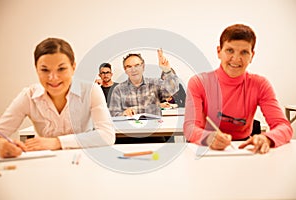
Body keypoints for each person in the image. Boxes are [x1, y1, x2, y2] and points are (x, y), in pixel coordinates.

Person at [0, 38, 115, 158]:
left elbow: (106, 136)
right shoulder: (29, 96)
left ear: (73, 67)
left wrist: (57, 142)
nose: (53, 77)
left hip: (83, 160)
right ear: (36, 69)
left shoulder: (91, 90)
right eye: (44, 70)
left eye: (61, 69)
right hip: (45, 163)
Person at [184, 24, 293, 154]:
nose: (236, 59)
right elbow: (190, 128)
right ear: (219, 51)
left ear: (252, 55)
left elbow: (284, 127)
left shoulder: (260, 84)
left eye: (244, 52)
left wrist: (267, 138)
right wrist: (207, 137)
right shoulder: (198, 83)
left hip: (244, 150)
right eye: (230, 50)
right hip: (206, 149)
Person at [109, 49, 179, 143]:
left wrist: (167, 71)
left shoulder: (155, 83)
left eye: (137, 65)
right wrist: (123, 113)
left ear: (143, 66)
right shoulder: (118, 89)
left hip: (153, 133)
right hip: (127, 134)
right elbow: (113, 115)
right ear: (125, 70)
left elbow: (172, 89)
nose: (133, 69)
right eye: (129, 67)